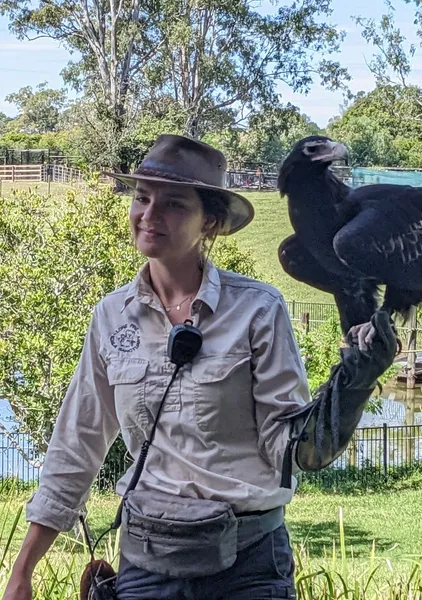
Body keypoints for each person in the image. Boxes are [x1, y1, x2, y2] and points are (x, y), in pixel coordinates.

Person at [2, 135, 396, 600]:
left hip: (248, 567)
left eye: (172, 204)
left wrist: (353, 383)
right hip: (147, 565)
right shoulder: (111, 317)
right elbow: (77, 442)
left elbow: (289, 450)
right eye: (141, 198)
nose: (149, 214)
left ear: (209, 220)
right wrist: (23, 570)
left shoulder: (257, 310)